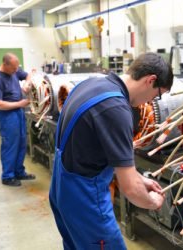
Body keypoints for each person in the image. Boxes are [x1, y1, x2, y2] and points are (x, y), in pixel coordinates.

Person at [49, 52, 173, 249]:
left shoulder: (90, 85)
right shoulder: (116, 109)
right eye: (157, 95)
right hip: (86, 201)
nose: (151, 102)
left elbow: (95, 150)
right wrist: (153, 202)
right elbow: (130, 189)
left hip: (61, 192)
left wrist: (140, 179)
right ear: (151, 80)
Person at [0, 53, 36, 187]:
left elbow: (27, 75)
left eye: (17, 68)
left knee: (21, 142)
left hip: (18, 112)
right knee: (10, 145)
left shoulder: (14, 70)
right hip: (7, 115)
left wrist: (27, 84)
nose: (16, 71)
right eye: (14, 68)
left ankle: (19, 171)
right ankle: (8, 176)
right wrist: (20, 104)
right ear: (5, 64)